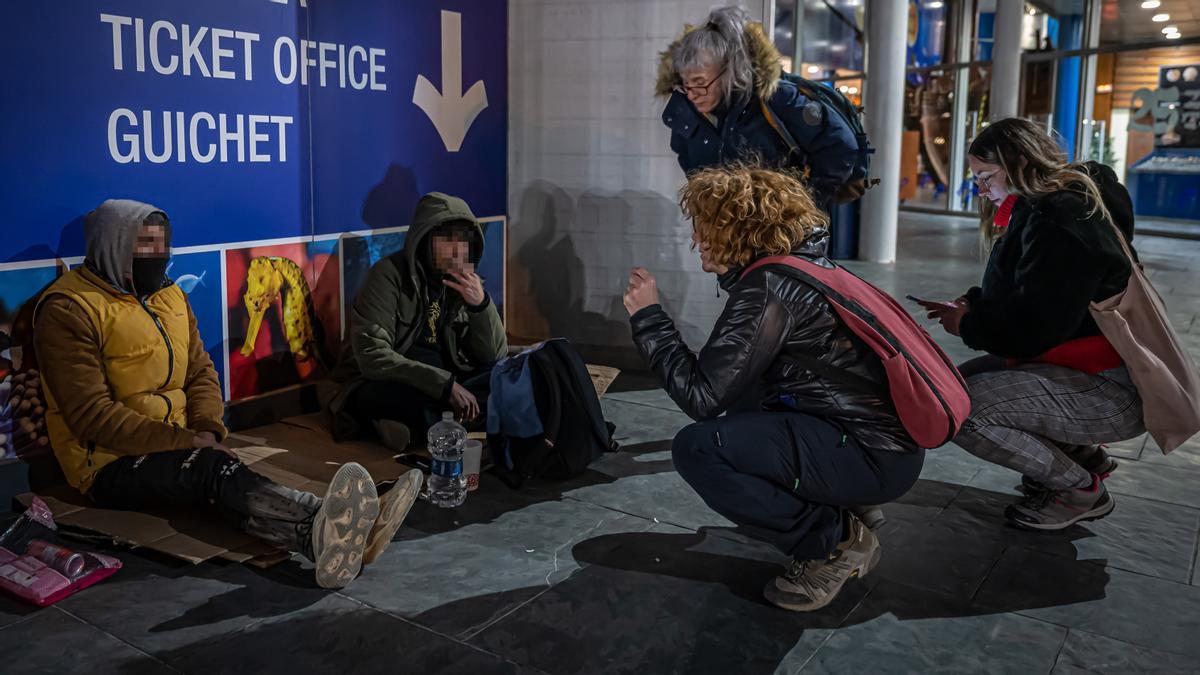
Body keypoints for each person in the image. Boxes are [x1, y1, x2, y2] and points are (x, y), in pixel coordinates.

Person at [34, 199, 422, 589]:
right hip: (106, 462)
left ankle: (339, 526)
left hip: (181, 441)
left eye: (162, 244)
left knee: (221, 474)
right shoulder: (69, 308)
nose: (159, 255)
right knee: (211, 472)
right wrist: (189, 443)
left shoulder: (170, 296)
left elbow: (201, 371)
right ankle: (319, 532)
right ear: (113, 245)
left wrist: (206, 428)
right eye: (145, 245)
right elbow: (92, 415)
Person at [624, 165, 923, 612]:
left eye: (704, 227)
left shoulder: (770, 289)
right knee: (742, 399)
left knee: (699, 448)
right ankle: (848, 505)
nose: (694, 240)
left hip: (871, 454)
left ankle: (834, 542)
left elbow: (701, 398)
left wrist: (648, 318)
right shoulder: (800, 266)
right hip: (880, 443)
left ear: (735, 230)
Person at [920, 117, 1144, 530]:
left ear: (1019, 161)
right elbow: (1027, 288)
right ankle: (1081, 455)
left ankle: (1077, 488)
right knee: (952, 387)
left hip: (1109, 388)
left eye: (986, 176)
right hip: (1084, 368)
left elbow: (1035, 327)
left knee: (962, 412)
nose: (981, 188)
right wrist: (972, 303)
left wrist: (967, 323)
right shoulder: (1047, 205)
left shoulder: (1064, 220)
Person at [330, 192, 507, 450]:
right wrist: (444, 386)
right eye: (447, 241)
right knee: (419, 403)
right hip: (389, 380)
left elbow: (493, 356)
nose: (458, 251)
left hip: (447, 379)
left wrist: (480, 305)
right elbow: (373, 356)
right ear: (425, 240)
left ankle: (420, 428)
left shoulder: (466, 285)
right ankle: (424, 423)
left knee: (504, 383)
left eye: (464, 242)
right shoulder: (387, 275)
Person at [655, 6, 859, 208]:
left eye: (700, 82)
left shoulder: (777, 98)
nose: (692, 94)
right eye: (685, 84)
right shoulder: (684, 113)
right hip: (725, 236)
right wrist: (705, 223)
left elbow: (840, 148)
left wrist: (802, 207)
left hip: (785, 237)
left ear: (728, 74)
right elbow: (695, 178)